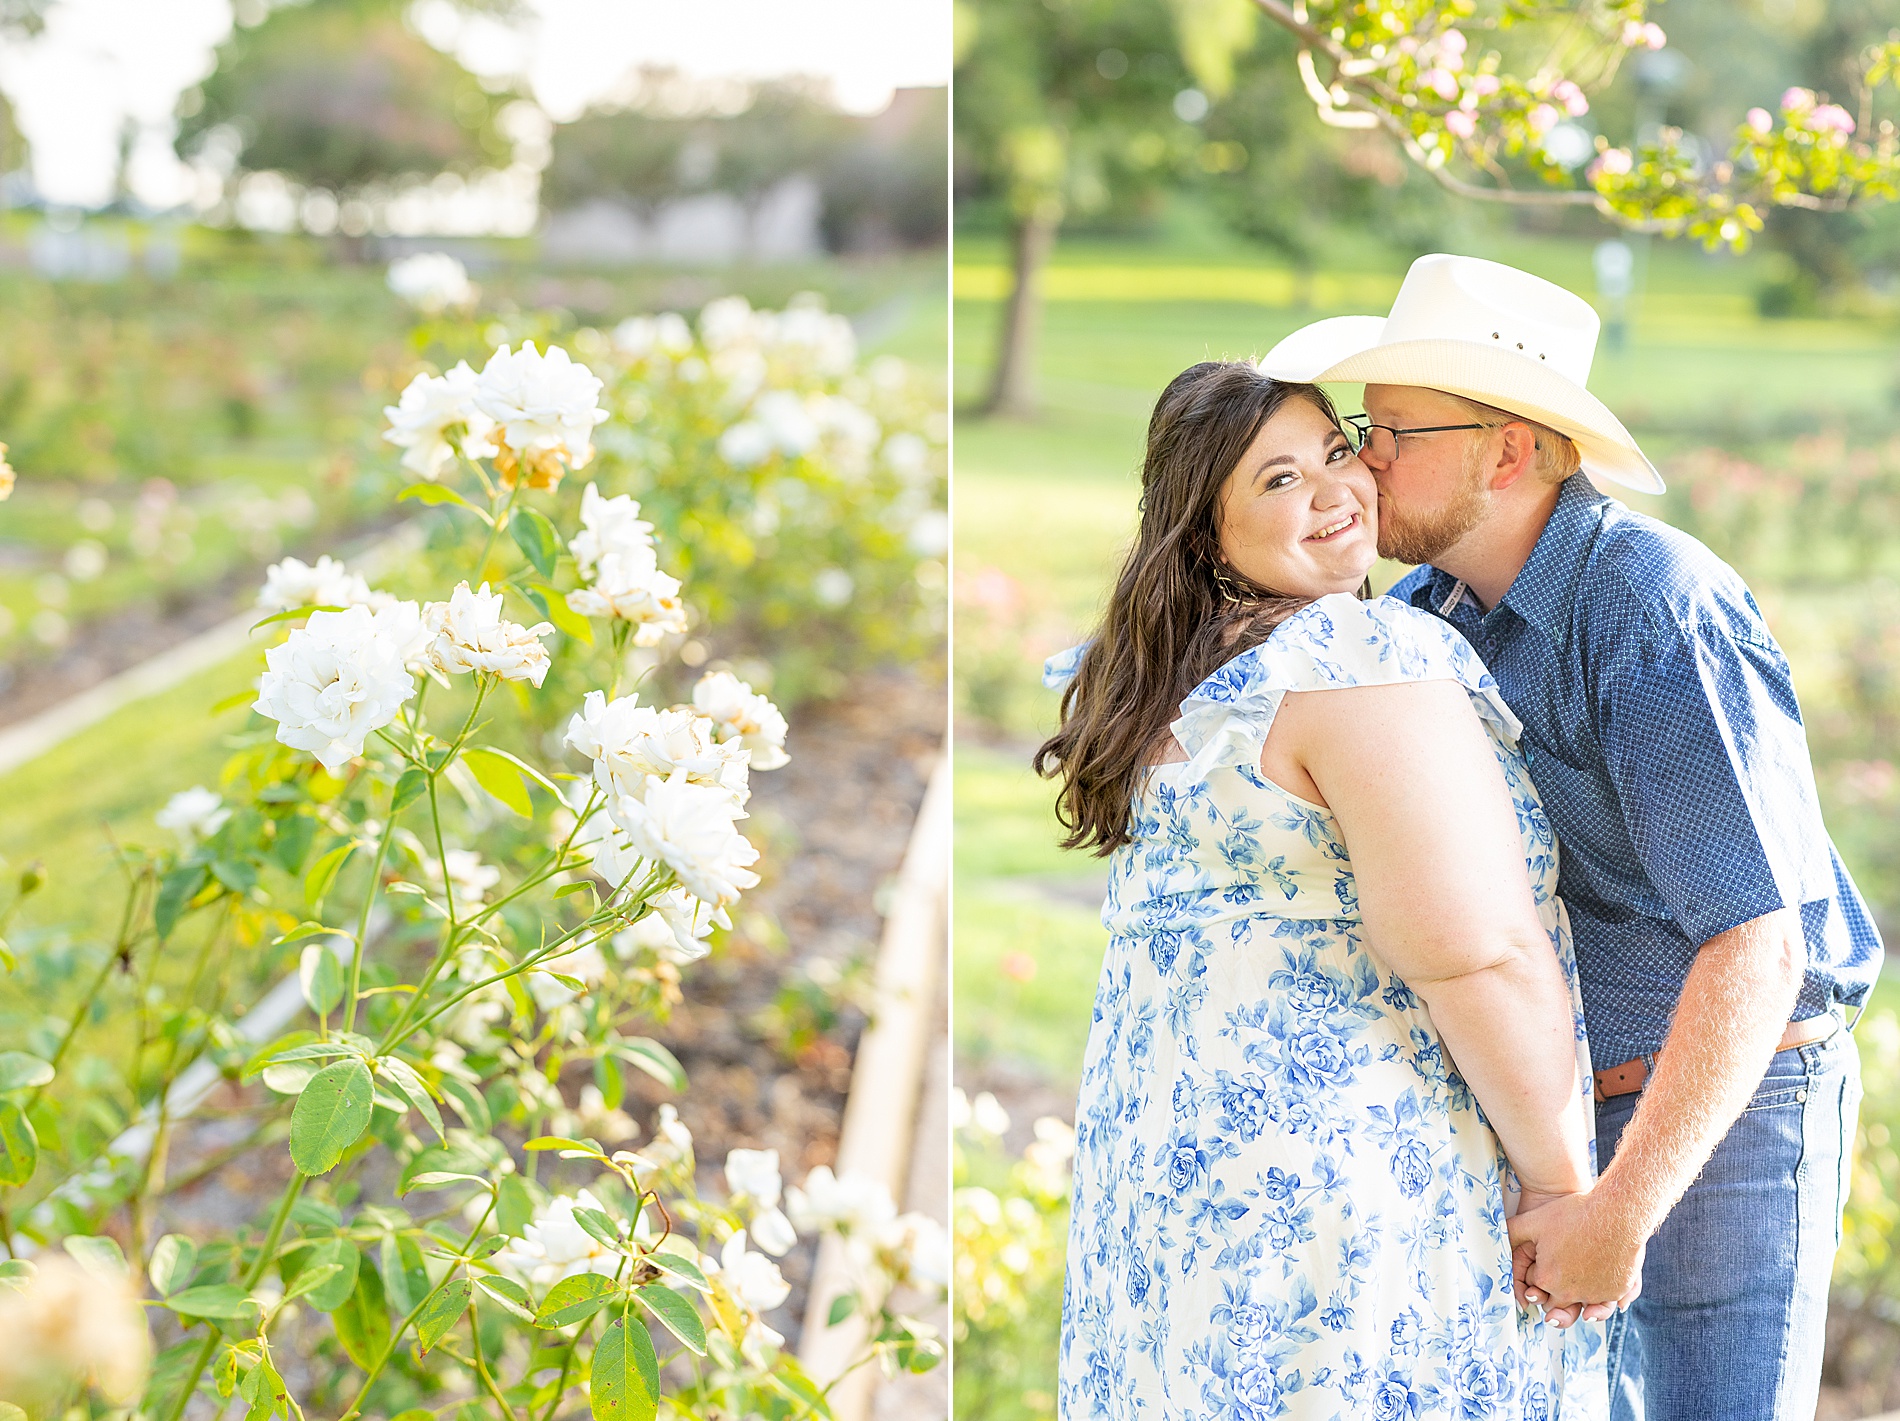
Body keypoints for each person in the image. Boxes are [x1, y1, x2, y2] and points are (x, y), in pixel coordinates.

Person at [1261, 252, 1883, 1421]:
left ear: (1507, 451)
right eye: (1362, 428)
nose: (1362, 460)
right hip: (1546, 1110)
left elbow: (1758, 942)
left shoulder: (1648, 607)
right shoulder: (1418, 619)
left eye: (1393, 431)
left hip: (1730, 1111)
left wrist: (1622, 1207)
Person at [1037, 359, 1617, 1420]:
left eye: (1335, 451)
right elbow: (1473, 947)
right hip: (1336, 1177)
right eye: (1275, 480)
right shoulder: (1355, 656)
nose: (1331, 489)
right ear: (1208, 535)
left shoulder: (1179, 678)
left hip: (1172, 1180)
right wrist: (1563, 1179)